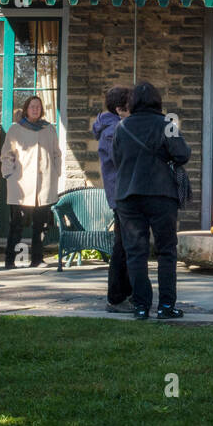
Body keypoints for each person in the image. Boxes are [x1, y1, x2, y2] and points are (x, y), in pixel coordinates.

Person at [112, 81, 192, 320]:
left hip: (128, 195)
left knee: (135, 252)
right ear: (157, 100)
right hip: (161, 194)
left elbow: (117, 161)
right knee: (166, 251)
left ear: (133, 102)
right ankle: (166, 306)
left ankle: (140, 306)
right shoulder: (166, 124)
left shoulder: (122, 127)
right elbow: (182, 154)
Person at [0, 95, 61, 270]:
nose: (35, 109)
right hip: (21, 183)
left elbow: (56, 153)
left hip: (45, 182)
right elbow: (6, 155)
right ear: (26, 108)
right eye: (32, 106)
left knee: (40, 224)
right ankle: (10, 260)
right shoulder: (15, 129)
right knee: (17, 224)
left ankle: (37, 258)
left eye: (38, 107)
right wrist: (9, 175)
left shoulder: (48, 129)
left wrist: (56, 173)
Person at [92, 85, 133, 308]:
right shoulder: (113, 131)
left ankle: (126, 292)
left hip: (121, 193)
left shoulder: (116, 127)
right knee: (122, 246)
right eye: (129, 104)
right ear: (119, 108)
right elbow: (121, 162)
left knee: (126, 245)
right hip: (121, 194)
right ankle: (116, 298)